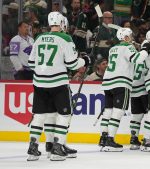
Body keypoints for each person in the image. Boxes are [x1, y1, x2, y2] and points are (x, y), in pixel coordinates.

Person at [26, 11, 90, 161]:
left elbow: (31, 63)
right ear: (61, 23)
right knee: (64, 114)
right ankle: (57, 148)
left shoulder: (39, 37)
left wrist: (44, 72)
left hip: (39, 83)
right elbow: (72, 64)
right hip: (58, 83)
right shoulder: (65, 38)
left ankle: (32, 148)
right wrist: (85, 61)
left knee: (39, 115)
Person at [98, 28, 150, 152]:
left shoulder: (113, 49)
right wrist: (145, 50)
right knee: (118, 111)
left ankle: (103, 137)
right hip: (121, 82)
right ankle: (111, 140)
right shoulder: (128, 47)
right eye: (130, 36)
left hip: (107, 82)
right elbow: (137, 59)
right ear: (126, 37)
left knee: (108, 111)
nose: (132, 38)